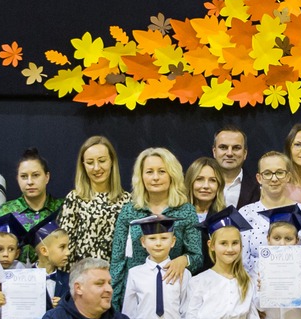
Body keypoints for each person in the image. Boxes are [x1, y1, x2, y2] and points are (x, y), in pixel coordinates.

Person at [108, 147, 202, 304]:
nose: (155, 177)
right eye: (149, 172)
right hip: (135, 296)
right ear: (141, 176)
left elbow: (197, 257)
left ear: (172, 174)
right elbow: (117, 262)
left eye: (162, 171)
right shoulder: (129, 212)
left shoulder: (186, 211)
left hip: (171, 293)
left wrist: (184, 260)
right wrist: (114, 304)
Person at [240, 150, 301, 275]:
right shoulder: (246, 213)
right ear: (259, 178)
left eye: (280, 173)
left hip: (297, 283)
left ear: (288, 176)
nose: (274, 178)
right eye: (267, 173)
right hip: (256, 284)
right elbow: (242, 260)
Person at [62, 135, 128, 265]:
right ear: (83, 165)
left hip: (116, 274)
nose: (96, 168)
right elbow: (66, 246)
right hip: (83, 273)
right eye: (90, 162)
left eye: (102, 161)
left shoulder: (127, 200)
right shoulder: (74, 198)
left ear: (112, 161)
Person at [0, 149, 63, 263]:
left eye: (36, 175)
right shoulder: (5, 211)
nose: (30, 182)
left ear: (47, 177)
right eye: (24, 176)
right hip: (13, 273)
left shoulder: (62, 208)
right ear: (17, 179)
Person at [211, 126, 250, 208]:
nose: (229, 153)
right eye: (223, 147)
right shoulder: (199, 185)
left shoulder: (259, 188)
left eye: (236, 148)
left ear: (245, 153)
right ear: (214, 152)